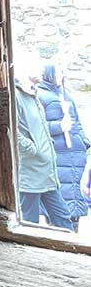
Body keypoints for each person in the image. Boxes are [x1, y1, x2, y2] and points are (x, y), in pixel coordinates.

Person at [14, 66, 74, 230]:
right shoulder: (16, 96)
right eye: (35, 64)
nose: (41, 69)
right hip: (31, 173)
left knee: (64, 219)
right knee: (30, 224)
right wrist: (34, 150)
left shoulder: (34, 94)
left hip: (47, 173)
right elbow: (10, 131)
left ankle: (72, 254)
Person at [36, 62, 91, 231]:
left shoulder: (66, 96)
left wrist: (83, 142)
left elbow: (77, 123)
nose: (61, 75)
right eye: (58, 71)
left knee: (75, 195)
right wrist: (59, 126)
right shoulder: (39, 95)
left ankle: (73, 228)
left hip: (75, 154)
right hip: (58, 154)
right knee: (61, 194)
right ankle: (60, 228)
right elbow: (37, 126)